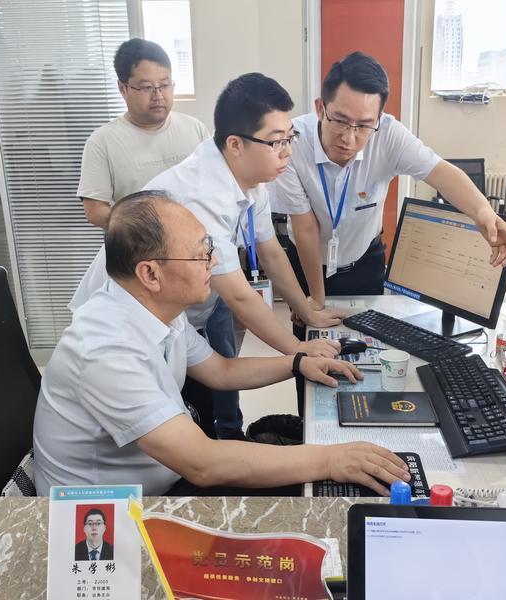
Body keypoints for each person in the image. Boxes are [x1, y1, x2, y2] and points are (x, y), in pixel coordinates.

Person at [34, 191, 410, 496]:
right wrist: (330, 460)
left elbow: (220, 371)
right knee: (325, 484)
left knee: (315, 468)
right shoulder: (104, 350)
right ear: (150, 273)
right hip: (118, 512)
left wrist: (297, 363)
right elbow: (204, 463)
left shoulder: (157, 308)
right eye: (200, 254)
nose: (213, 262)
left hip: (164, 477)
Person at [69, 73, 344, 439]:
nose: (287, 152)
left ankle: (222, 436)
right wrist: (298, 349)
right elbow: (238, 295)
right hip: (130, 319)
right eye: (276, 141)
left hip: (175, 316)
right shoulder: (201, 197)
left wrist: (307, 314)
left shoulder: (249, 179)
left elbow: (271, 252)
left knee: (210, 386)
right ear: (235, 144)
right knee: (172, 422)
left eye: (290, 137)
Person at [271, 52, 506, 310]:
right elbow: (305, 228)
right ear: (320, 108)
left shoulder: (389, 135)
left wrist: (482, 211)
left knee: (368, 330)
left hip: (364, 261)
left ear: (379, 119)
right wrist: (317, 299)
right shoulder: (292, 142)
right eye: (340, 121)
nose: (349, 138)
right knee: (309, 330)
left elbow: (441, 172)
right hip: (306, 262)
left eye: (364, 126)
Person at [77, 38, 208, 228]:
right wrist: (144, 229)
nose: (158, 96)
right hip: (141, 242)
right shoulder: (102, 142)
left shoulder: (194, 128)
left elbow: (213, 183)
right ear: (123, 88)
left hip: (196, 239)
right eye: (147, 87)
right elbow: (95, 210)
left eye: (164, 85)